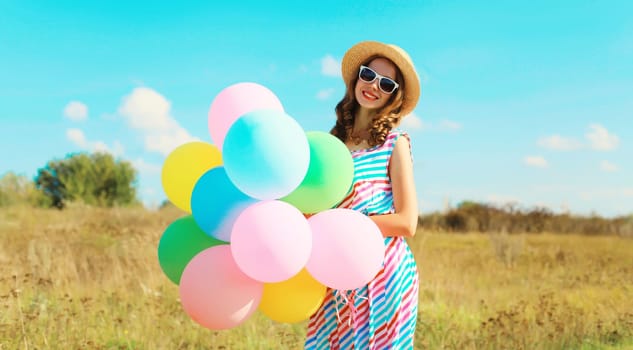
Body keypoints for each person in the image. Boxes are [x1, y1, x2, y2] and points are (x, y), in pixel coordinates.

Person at [305, 41, 421, 349]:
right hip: (334, 275)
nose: (373, 86)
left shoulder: (395, 144)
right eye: (368, 75)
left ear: (394, 95)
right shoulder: (331, 145)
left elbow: (407, 222)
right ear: (357, 77)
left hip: (384, 276)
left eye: (386, 83)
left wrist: (346, 224)